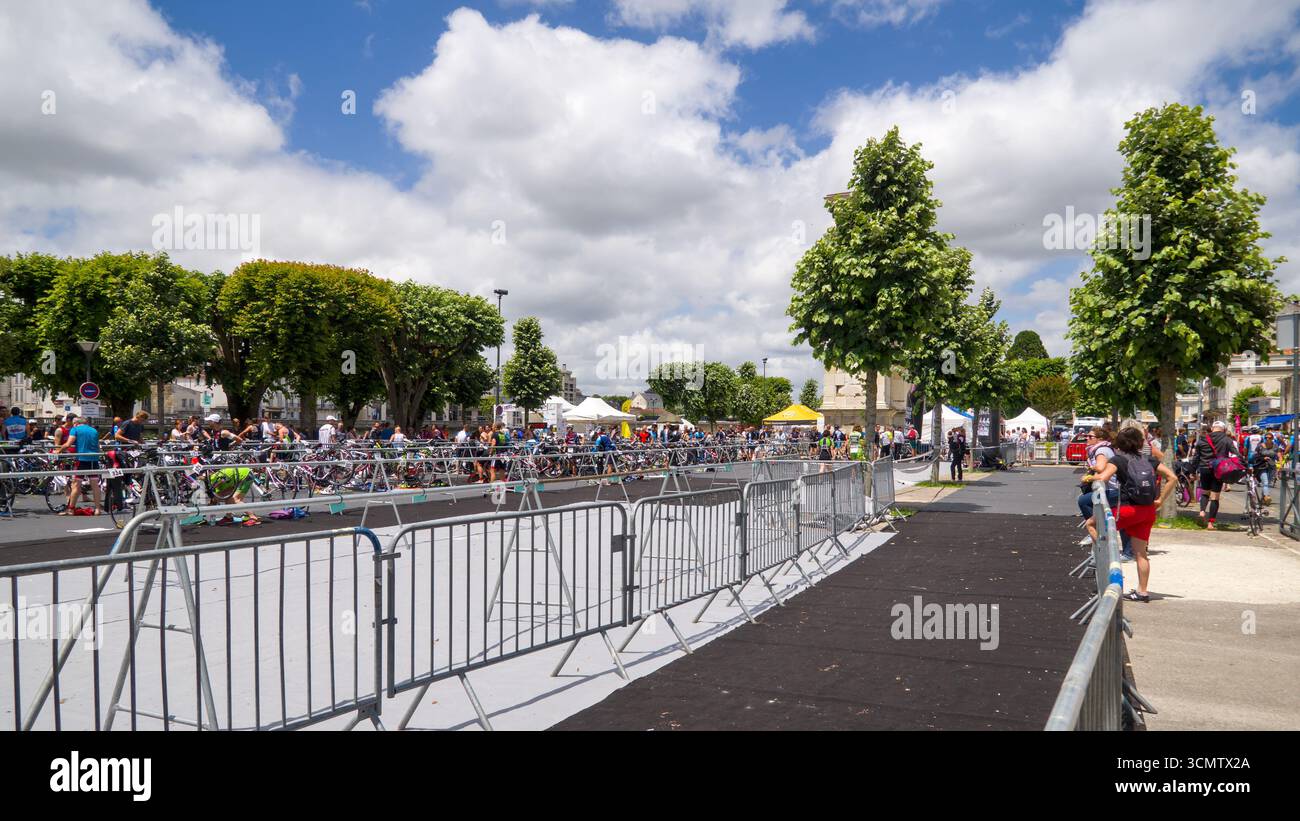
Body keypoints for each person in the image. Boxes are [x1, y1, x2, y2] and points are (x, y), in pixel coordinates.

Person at [1092, 427, 1177, 603]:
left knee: (1092, 525)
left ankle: (1108, 563)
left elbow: (1103, 478)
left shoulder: (1118, 459)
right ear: (1140, 443)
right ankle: (1142, 591)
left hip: (1127, 510)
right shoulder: (1148, 459)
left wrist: (1090, 478)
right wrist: (1160, 500)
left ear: (1120, 444)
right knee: (1141, 553)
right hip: (1147, 511)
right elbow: (1173, 478)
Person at [1078, 426, 1133, 560]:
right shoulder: (1103, 449)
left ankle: (1098, 530)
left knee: (1084, 501)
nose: (1087, 439)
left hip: (1115, 490)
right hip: (1117, 489)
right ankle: (1127, 550)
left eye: (1090, 437)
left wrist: (1090, 473)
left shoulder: (1101, 450)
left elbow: (1101, 467)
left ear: (1100, 439)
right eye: (1087, 437)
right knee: (1118, 517)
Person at [1190, 420, 1241, 530]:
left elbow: (1196, 457)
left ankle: (1202, 511)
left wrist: (1192, 471)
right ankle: (1210, 523)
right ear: (1223, 429)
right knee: (1215, 497)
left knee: (1205, 492)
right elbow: (1236, 454)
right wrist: (1242, 464)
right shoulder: (1227, 440)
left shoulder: (1202, 439)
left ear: (1212, 428)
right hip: (1219, 469)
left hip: (1204, 468)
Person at [55, 415, 103, 515]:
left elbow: (68, 444)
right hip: (94, 459)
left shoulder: (75, 429)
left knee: (76, 484)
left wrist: (58, 451)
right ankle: (98, 509)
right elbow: (98, 447)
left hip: (81, 459)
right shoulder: (94, 430)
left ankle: (71, 509)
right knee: (95, 485)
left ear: (76, 423)